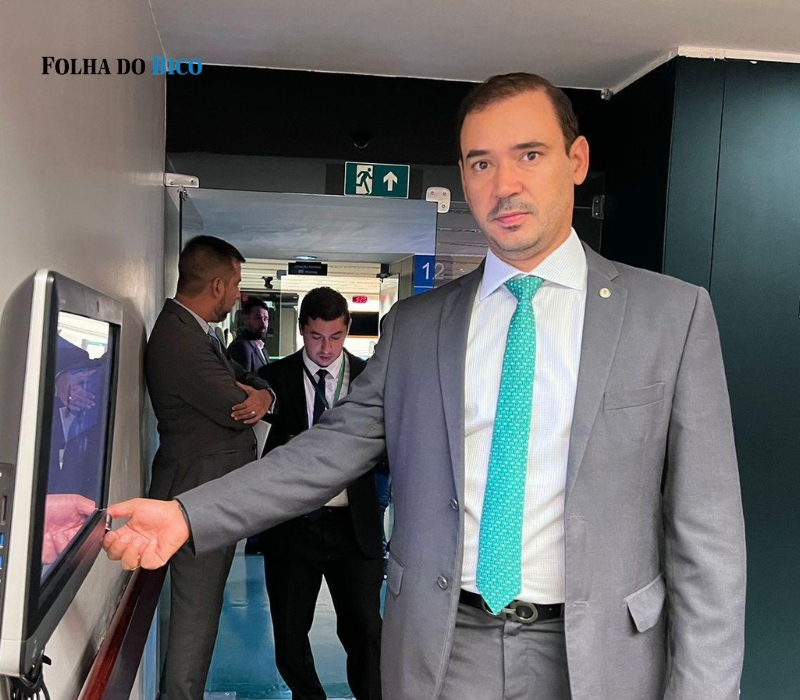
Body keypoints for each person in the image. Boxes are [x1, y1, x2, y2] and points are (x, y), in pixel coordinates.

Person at [104, 73, 746, 700]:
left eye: (529, 154)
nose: (505, 185)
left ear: (576, 160)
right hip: (444, 647)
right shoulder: (417, 327)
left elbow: (708, 539)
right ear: (463, 177)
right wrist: (188, 514)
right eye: (481, 163)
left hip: (602, 655)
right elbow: (323, 453)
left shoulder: (672, 316)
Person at [146, 235, 275, 700]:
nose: (239, 295)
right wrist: (256, 398)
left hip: (205, 494)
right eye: (236, 284)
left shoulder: (198, 332)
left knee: (200, 617)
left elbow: (247, 381)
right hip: (194, 495)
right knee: (194, 623)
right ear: (217, 285)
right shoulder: (180, 339)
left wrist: (265, 394)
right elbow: (234, 404)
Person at [257, 286, 383, 700]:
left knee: (366, 631)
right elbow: (257, 452)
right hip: (293, 526)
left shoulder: (369, 379)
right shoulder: (272, 380)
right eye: (316, 337)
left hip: (354, 526)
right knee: (290, 635)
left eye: (335, 336)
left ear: (347, 330)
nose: (326, 348)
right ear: (301, 330)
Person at [229, 295, 271, 372]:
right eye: (258, 318)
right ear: (246, 319)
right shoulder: (241, 347)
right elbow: (243, 378)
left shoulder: (260, 346)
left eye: (266, 319)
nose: (263, 323)